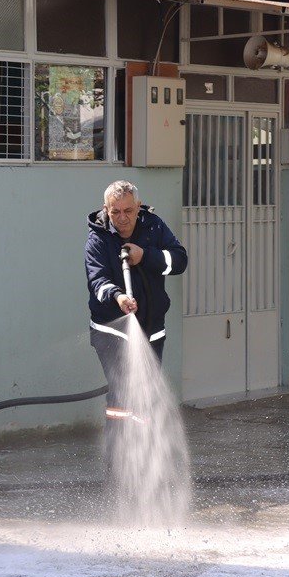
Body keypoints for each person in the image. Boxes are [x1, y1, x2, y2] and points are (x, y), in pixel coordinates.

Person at [85, 180, 188, 460]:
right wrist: (118, 297)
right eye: (115, 211)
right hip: (112, 330)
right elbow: (98, 280)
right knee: (123, 392)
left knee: (147, 396)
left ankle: (146, 457)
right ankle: (118, 463)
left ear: (138, 207)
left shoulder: (153, 227)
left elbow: (179, 260)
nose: (122, 218)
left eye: (128, 210)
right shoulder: (98, 238)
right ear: (106, 209)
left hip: (151, 330)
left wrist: (146, 256)